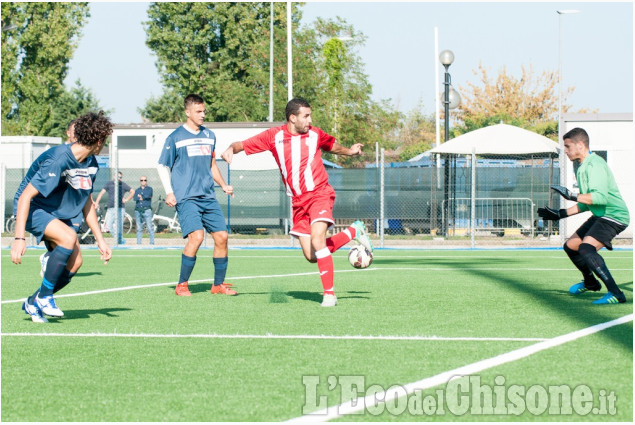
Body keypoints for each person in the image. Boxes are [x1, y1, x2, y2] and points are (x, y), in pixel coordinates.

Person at [221, 97, 373, 307]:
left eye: (310, 115)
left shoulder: (315, 134)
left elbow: (332, 146)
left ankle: (329, 294)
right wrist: (230, 149)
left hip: (319, 193)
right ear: (292, 118)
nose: (310, 120)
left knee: (318, 241)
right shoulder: (273, 136)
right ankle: (353, 232)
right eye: (306, 116)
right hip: (297, 202)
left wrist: (350, 151)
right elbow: (243, 145)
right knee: (312, 255)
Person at [11, 111, 113, 322]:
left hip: (56, 213)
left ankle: (34, 301)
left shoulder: (91, 163)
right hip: (32, 208)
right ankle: (46, 296)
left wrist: (100, 240)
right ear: (98, 140)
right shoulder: (58, 158)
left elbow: (87, 202)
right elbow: (25, 197)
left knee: (75, 264)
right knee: (67, 237)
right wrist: (19, 239)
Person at [538, 127, 629, 304]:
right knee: (571, 246)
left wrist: (571, 195)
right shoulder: (581, 166)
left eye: (567, 146)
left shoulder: (594, 164)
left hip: (614, 216)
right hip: (601, 214)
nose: (565, 151)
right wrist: (559, 214)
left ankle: (616, 293)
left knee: (586, 249)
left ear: (580, 145)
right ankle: (590, 283)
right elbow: (588, 202)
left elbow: (600, 198)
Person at [157, 94, 235, 297]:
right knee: (197, 237)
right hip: (186, 197)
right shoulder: (175, 137)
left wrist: (224, 185)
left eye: (204, 111)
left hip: (207, 196)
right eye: (199, 111)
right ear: (188, 112)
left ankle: (218, 285)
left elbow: (212, 165)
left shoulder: (209, 135)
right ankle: (182, 285)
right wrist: (169, 191)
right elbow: (162, 165)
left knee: (222, 237)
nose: (203, 115)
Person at [40, 119, 82, 276]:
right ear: (68, 133)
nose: (77, 134)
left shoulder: (85, 157)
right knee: (64, 240)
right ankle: (50, 259)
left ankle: (51, 263)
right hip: (56, 207)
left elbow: (84, 187)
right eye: (74, 131)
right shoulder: (59, 154)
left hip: (74, 208)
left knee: (73, 250)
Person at [95, 171, 134, 244]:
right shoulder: (109, 184)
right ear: (114, 176)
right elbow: (101, 193)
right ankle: (119, 239)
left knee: (119, 226)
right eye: (117, 177)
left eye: (120, 177)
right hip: (111, 208)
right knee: (109, 225)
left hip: (120, 208)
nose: (119, 178)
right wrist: (97, 202)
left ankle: (119, 241)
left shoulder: (123, 185)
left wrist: (126, 199)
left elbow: (132, 191)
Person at [133, 175, 155, 245]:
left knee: (149, 227)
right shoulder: (137, 190)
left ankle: (152, 243)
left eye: (144, 180)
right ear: (140, 181)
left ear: (146, 181)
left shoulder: (149, 189)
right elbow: (135, 198)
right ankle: (139, 243)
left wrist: (141, 196)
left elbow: (148, 195)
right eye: (142, 180)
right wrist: (140, 197)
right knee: (139, 228)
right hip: (138, 210)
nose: (143, 182)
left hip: (146, 210)